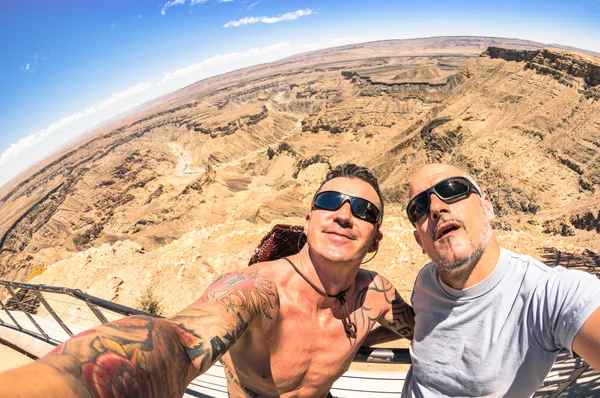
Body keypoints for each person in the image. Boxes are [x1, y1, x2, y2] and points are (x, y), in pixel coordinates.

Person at [0, 163, 415, 397]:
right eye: (329, 202)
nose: (344, 214)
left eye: (363, 210)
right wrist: (68, 383)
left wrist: (363, 338)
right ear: (307, 221)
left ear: (376, 237)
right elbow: (178, 339)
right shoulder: (256, 291)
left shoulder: (376, 295)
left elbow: (429, 331)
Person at [402, 163, 600, 397]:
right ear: (419, 242)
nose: (435, 207)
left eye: (452, 188)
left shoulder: (548, 293)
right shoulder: (426, 281)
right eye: (419, 207)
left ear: (487, 208)